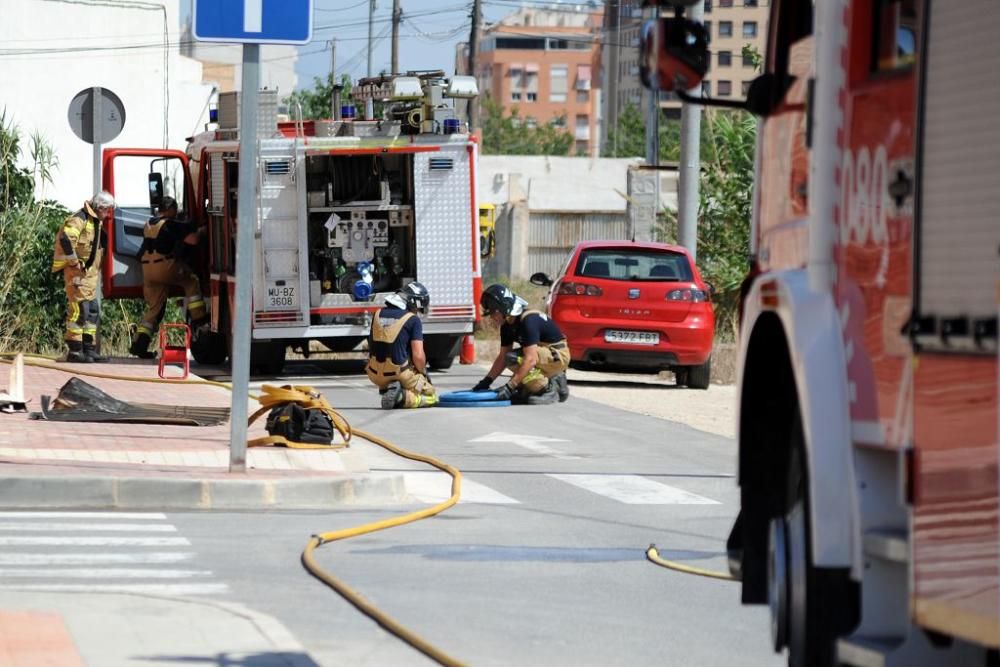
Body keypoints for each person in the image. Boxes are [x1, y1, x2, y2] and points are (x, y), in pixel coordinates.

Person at [129, 196, 209, 359]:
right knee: (191, 281)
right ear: (170, 209)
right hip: (164, 266)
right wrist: (201, 231)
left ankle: (139, 345)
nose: (176, 212)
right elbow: (192, 240)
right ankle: (199, 319)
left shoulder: (148, 224)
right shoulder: (169, 224)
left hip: (148, 270)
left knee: (154, 309)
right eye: (175, 209)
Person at [473, 283, 570, 404]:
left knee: (515, 359)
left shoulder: (528, 321)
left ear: (504, 308)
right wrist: (486, 382)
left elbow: (530, 359)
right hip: (545, 355)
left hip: (559, 355)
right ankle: (553, 380)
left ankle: (548, 389)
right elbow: (502, 357)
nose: (492, 317)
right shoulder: (507, 325)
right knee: (511, 359)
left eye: (494, 312)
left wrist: (510, 386)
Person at [51, 190, 116, 363]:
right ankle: (75, 351)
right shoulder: (79, 218)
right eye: (108, 210)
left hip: (89, 275)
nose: (109, 215)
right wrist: (74, 262)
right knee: (80, 310)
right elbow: (65, 240)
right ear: (100, 207)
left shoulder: (95, 220)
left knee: (93, 310)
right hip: (77, 274)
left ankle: (89, 351)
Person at [365, 281, 438, 409]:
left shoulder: (377, 314)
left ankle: (388, 388)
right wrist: (423, 374)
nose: (417, 312)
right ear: (413, 303)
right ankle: (402, 397)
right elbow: (418, 355)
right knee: (432, 396)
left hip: (374, 374)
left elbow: (372, 344)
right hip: (399, 373)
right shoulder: (413, 320)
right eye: (418, 308)